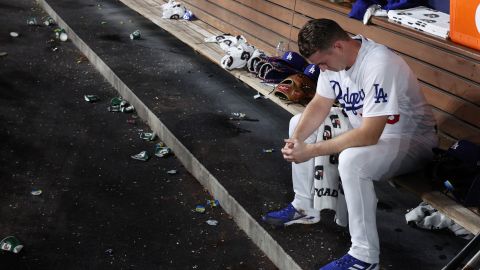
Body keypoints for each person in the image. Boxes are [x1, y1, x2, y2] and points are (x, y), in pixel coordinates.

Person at [262, 19, 437, 269]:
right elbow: (320, 104)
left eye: (323, 62)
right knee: (297, 124)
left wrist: (310, 151)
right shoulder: (332, 63)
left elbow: (369, 135)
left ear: (339, 46)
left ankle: (365, 257)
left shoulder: (378, 63)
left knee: (352, 161)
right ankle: (304, 206)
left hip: (409, 141)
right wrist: (296, 142)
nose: (321, 68)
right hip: (372, 132)